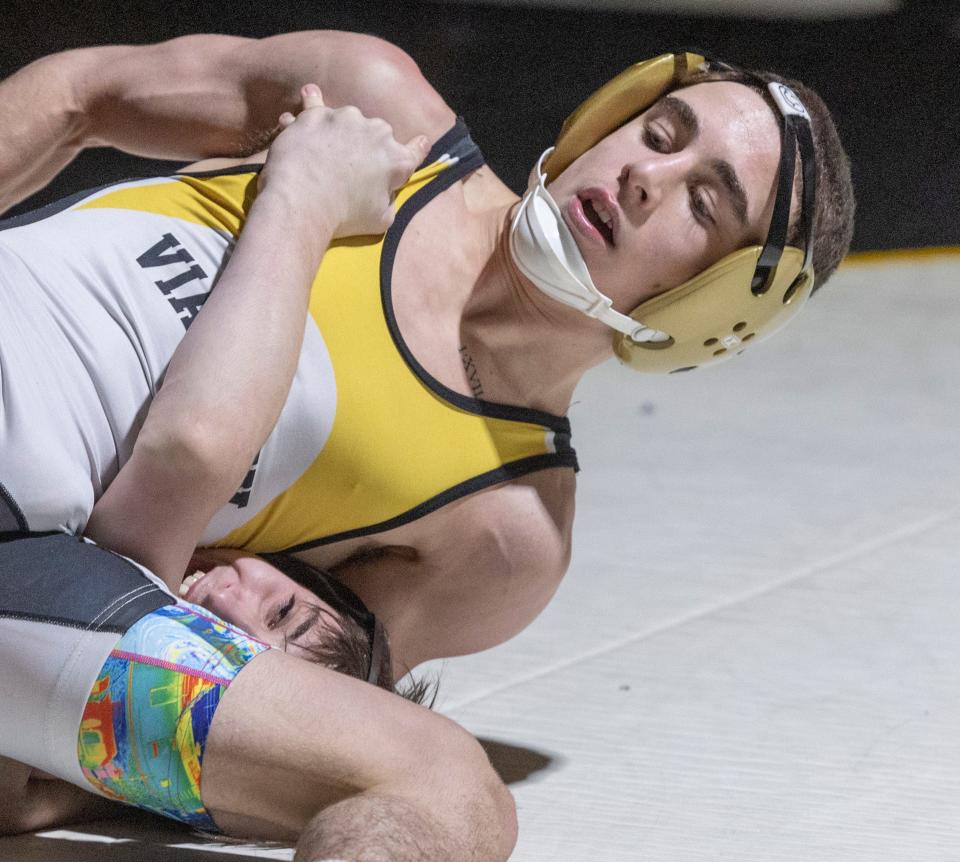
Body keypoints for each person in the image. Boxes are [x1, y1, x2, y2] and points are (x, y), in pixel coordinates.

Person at [0, 87, 618, 862]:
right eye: (285, 599)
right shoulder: (378, 112)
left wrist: (299, 190)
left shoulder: (85, 596)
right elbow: (81, 92)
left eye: (268, 638)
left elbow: (190, 462)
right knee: (441, 771)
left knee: (443, 770)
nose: (239, 601)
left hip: (29, 551)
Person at [0, 35, 856, 677]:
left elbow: (217, 701)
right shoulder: (380, 108)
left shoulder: (505, 532)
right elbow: (80, 95)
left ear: (710, 311)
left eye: (702, 203)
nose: (644, 176)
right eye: (659, 135)